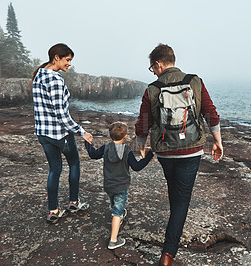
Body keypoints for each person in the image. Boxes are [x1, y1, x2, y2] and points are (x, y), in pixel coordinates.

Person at [135, 43, 223, 265]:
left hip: (164, 151)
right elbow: (210, 113)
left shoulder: (152, 88)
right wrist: (217, 142)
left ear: (159, 64)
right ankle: (168, 254)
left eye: (152, 68)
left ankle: (170, 244)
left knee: (175, 193)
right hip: (191, 150)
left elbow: (143, 121)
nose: (153, 72)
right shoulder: (194, 81)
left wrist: (141, 144)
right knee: (181, 200)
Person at [32, 43, 93, 224]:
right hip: (60, 134)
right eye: (67, 60)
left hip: (43, 133)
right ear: (56, 57)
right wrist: (82, 132)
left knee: (54, 169)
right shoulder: (56, 80)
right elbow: (62, 116)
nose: (69, 64)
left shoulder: (38, 76)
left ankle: (53, 211)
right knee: (74, 164)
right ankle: (73, 202)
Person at [84, 122, 154, 249]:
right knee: (117, 213)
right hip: (121, 186)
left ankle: (118, 210)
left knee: (114, 202)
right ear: (125, 136)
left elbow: (93, 155)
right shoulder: (126, 150)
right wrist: (149, 155)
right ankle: (113, 240)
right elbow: (137, 167)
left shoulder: (105, 148)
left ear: (110, 136)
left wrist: (87, 142)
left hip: (109, 185)